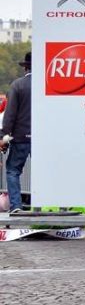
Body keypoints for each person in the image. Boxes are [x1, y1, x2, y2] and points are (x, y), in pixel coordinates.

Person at [1, 52, 32, 213]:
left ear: (25, 67)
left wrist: (4, 135)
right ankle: (46, 203)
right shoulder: (45, 85)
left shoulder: (17, 85)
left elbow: (10, 114)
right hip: (43, 138)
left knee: (13, 171)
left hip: (20, 137)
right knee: (44, 170)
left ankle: (16, 206)